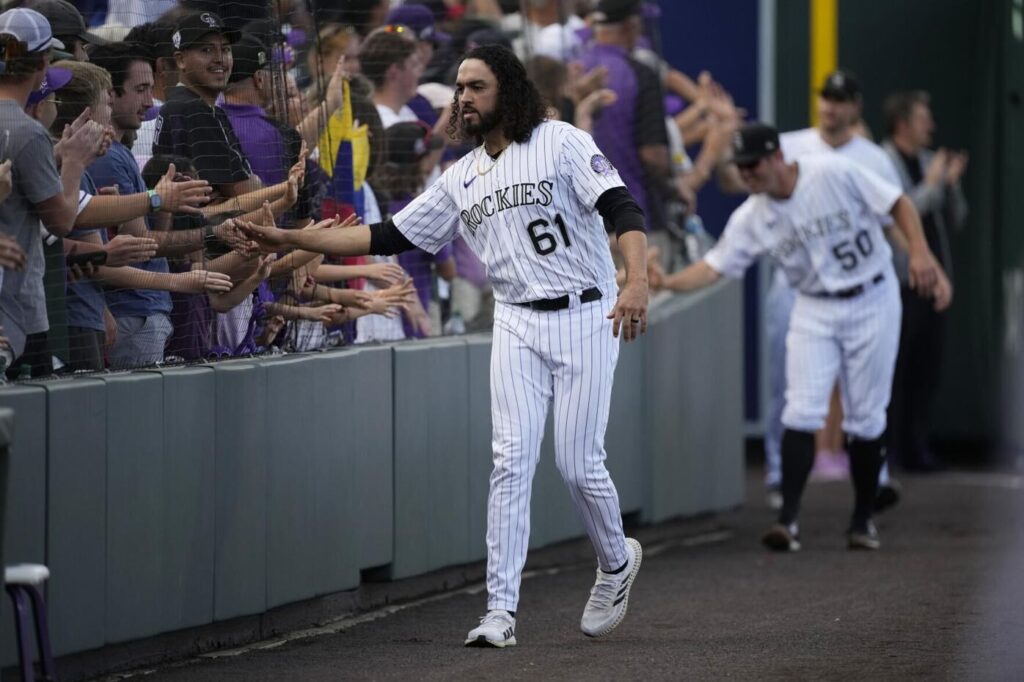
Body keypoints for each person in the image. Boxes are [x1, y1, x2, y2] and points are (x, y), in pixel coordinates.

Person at [240, 44, 649, 646]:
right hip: (514, 322)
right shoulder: (461, 176)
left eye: (476, 86)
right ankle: (499, 613)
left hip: (585, 311)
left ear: (507, 90)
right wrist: (282, 233)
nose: (463, 97)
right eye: (459, 87)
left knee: (576, 462)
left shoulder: (561, 141)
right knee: (509, 463)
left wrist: (636, 279)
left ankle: (615, 561)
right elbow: (386, 234)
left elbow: (620, 206)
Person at [662, 123, 950, 552]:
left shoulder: (831, 172)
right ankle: (788, 520)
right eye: (741, 168)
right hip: (814, 306)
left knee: (867, 417)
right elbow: (712, 268)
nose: (748, 175)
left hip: (871, 295)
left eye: (753, 164)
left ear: (777, 156)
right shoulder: (751, 217)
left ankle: (862, 519)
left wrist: (921, 252)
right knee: (801, 410)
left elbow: (898, 202)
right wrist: (665, 282)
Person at [881, 91, 968, 472]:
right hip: (900, 282)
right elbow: (901, 211)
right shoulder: (883, 161)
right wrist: (933, 186)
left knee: (926, 370)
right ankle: (888, 452)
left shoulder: (932, 162)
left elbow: (957, 218)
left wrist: (949, 185)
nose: (930, 126)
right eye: (922, 118)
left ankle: (917, 448)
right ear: (902, 124)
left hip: (934, 282)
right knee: (896, 369)